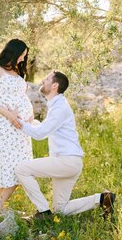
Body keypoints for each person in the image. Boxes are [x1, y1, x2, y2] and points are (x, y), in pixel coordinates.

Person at [10, 70, 115, 221]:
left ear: (54, 85)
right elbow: (45, 129)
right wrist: (27, 123)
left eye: (46, 79)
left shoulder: (59, 108)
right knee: (61, 209)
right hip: (70, 163)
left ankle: (43, 212)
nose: (42, 81)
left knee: (21, 169)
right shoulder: (57, 105)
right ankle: (102, 199)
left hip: (66, 161)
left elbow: (40, 134)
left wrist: (17, 121)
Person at [0, 39, 34, 214]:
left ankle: (0, 207)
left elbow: (22, 97)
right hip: (5, 124)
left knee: (21, 166)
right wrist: (9, 115)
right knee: (7, 165)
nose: (22, 60)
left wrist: (30, 114)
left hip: (21, 126)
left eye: (24, 57)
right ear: (13, 52)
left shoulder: (17, 72)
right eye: (21, 55)